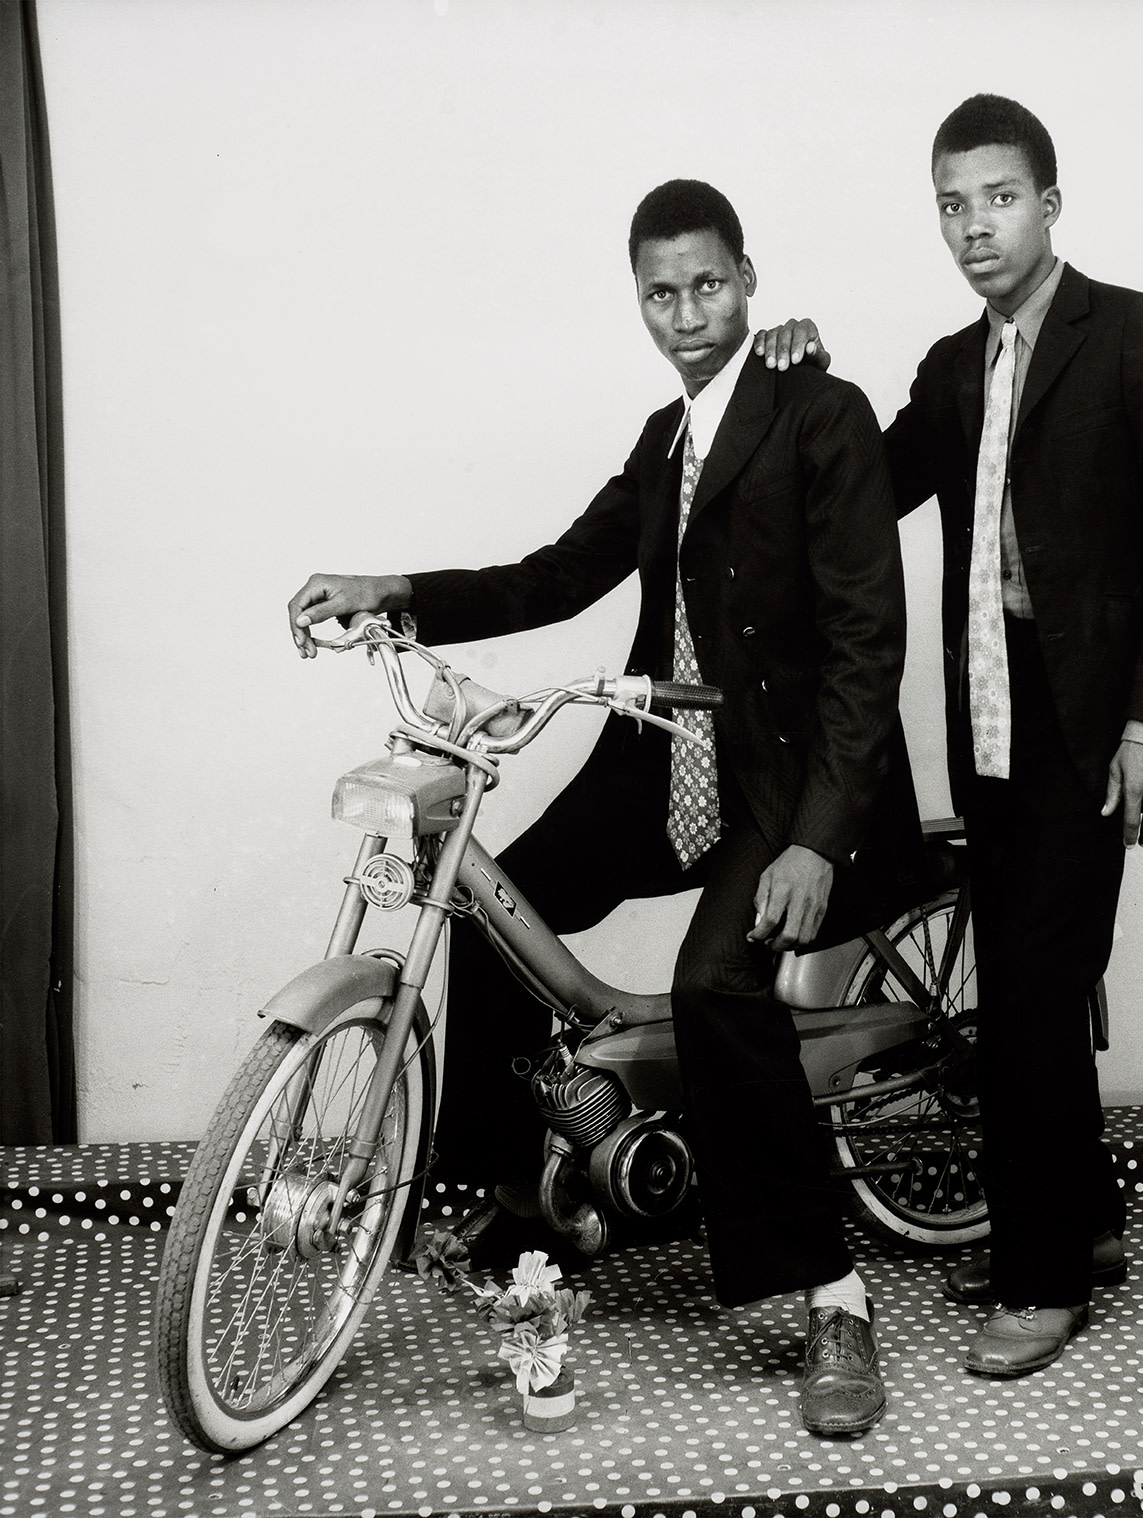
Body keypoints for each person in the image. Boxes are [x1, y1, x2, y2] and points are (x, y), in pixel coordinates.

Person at [287, 179, 923, 1437]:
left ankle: (833, 1297)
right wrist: (392, 589)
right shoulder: (661, 442)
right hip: (668, 762)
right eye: (660, 291)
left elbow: (867, 647)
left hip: (788, 779)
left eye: (708, 284)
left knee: (713, 986)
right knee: (485, 911)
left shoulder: (822, 415)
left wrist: (813, 837)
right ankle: (528, 1207)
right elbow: (558, 575)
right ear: (636, 299)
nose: (687, 312)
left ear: (750, 278)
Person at [755, 94, 1143, 1378]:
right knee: (1030, 989)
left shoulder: (1134, 337)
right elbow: (867, 481)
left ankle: (1039, 1281)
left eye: (1000, 198)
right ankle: (1083, 1224)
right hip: (991, 724)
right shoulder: (952, 368)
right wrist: (796, 382)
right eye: (953, 205)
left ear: (1051, 203)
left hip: (1098, 729)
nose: (976, 227)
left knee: (1024, 999)